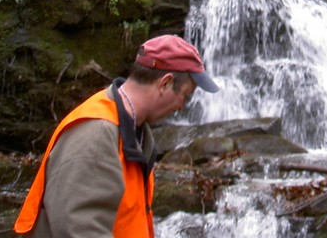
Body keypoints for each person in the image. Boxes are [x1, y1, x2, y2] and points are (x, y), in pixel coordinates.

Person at [13, 34, 219, 237]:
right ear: (165, 83)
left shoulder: (135, 133)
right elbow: (80, 230)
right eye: (185, 96)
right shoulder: (95, 133)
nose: (182, 107)